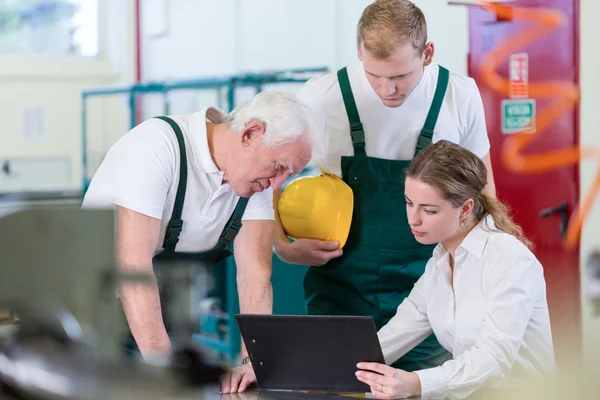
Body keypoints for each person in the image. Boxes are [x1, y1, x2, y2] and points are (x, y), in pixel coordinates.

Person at [271, 0, 496, 377]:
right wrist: (283, 247)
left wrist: (484, 272)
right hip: (340, 295)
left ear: (427, 54)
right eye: (374, 75)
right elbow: (268, 176)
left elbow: (484, 192)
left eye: (401, 77)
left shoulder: (458, 96)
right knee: (336, 384)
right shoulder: (322, 97)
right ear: (359, 53)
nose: (386, 89)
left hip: (434, 296)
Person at [81, 91, 321, 389]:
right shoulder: (157, 147)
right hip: (92, 317)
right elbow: (132, 265)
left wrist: (250, 361)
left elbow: (255, 274)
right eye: (279, 166)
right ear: (250, 133)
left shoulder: (252, 181)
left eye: (290, 174)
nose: (277, 184)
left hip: (162, 314)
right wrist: (165, 372)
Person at [354, 140, 555, 399]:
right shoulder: (439, 262)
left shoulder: (509, 259)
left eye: (429, 210)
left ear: (466, 208)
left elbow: (493, 358)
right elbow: (398, 331)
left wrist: (416, 383)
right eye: (408, 203)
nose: (413, 219)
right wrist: (332, 373)